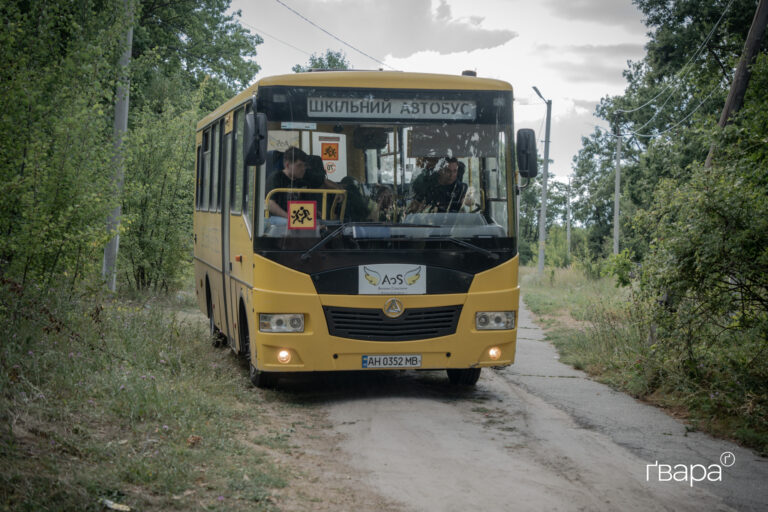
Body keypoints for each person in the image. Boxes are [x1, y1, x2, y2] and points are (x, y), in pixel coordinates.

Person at [266, 146, 339, 218]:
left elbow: (322, 181)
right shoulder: (276, 177)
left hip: (298, 218)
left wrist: (339, 190)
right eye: (299, 165)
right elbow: (270, 204)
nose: (303, 168)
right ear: (287, 165)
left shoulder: (303, 178)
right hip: (279, 220)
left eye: (304, 166)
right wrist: (289, 217)